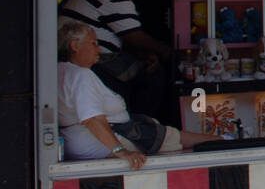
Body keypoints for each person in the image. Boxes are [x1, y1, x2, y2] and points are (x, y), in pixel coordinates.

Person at [58, 21, 210, 169]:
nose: (99, 49)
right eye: (93, 43)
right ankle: (228, 142)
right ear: (75, 46)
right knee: (194, 140)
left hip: (86, 142)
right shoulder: (81, 75)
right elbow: (92, 119)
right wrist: (121, 151)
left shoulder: (61, 70)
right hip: (102, 144)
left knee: (162, 130)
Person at [59, 0, 171, 118]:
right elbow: (134, 37)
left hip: (87, 56)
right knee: (153, 75)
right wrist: (165, 51)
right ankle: (140, 123)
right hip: (83, 57)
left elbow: (126, 38)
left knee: (144, 68)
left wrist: (144, 53)